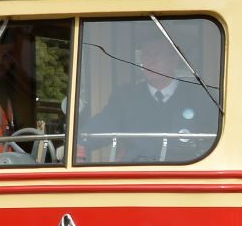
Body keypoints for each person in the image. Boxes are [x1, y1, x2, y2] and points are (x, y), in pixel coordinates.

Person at [84, 34, 219, 163]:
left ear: (174, 60)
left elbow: (217, 134)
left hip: (184, 175)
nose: (150, 61)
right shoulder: (125, 98)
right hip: (137, 174)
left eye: (157, 55)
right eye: (146, 55)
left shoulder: (200, 97)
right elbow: (102, 126)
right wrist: (79, 144)